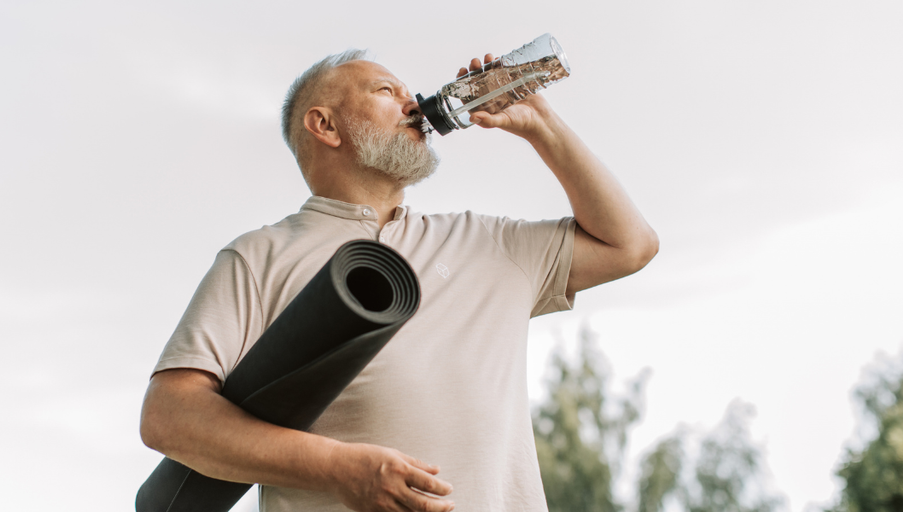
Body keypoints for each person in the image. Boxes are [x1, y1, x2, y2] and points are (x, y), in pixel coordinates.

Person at [139, 49, 658, 512]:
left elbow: (630, 245)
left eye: (409, 92)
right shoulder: (260, 257)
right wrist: (336, 468)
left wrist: (541, 124)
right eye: (386, 91)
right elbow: (168, 417)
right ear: (326, 125)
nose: (412, 103)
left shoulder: (488, 243)